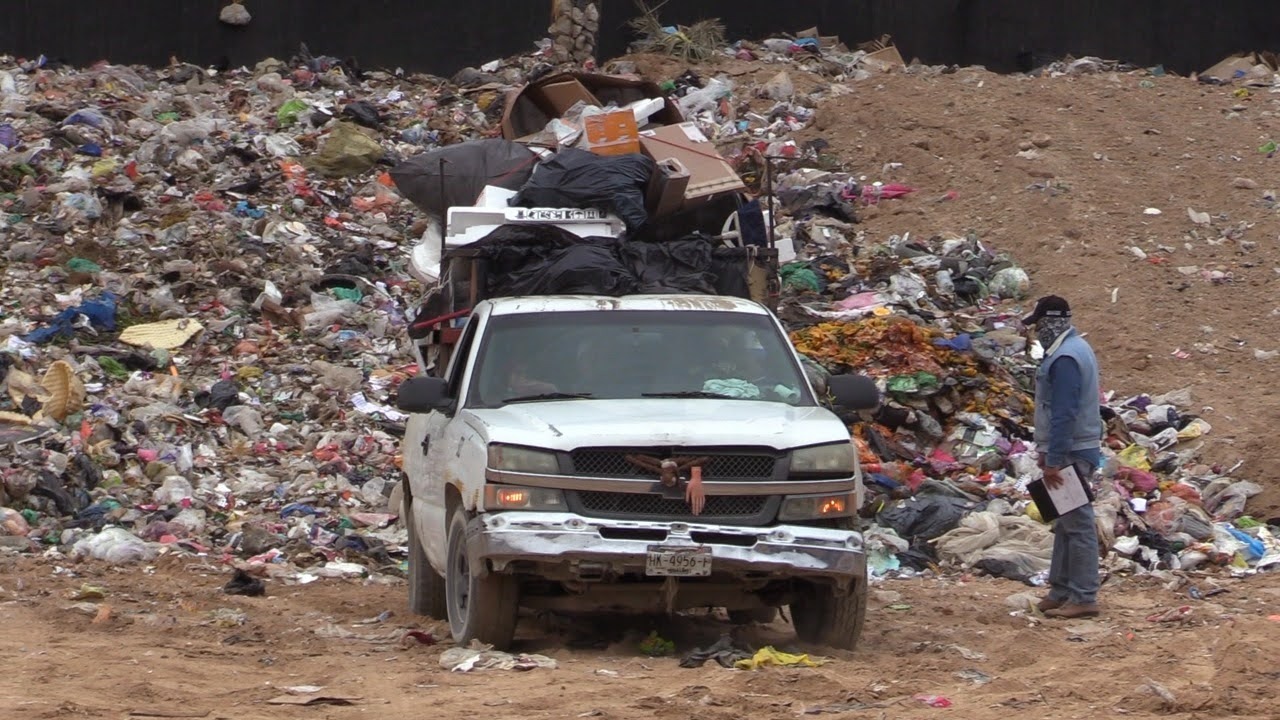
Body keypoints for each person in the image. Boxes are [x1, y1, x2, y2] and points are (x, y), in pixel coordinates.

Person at [1023, 295, 1104, 619]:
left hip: (1072, 449)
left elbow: (1064, 413)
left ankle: (1083, 596)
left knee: (1077, 524)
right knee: (1065, 521)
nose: (1036, 332)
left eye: (1038, 325)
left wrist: (1054, 458)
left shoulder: (1065, 357)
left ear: (1050, 322)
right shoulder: (1073, 349)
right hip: (1072, 446)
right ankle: (1060, 591)